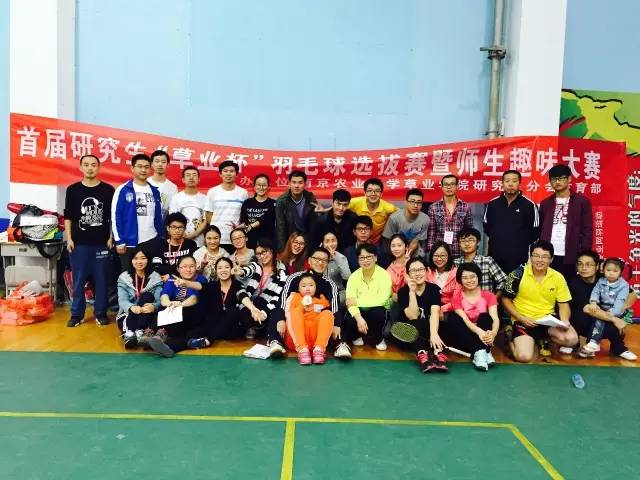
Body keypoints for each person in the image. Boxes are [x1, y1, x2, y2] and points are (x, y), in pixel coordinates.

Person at [501, 240, 579, 363]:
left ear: (551, 259)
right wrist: (521, 318)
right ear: (530, 257)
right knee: (524, 357)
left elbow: (563, 304)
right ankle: (510, 338)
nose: (540, 260)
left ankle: (542, 340)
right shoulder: (517, 274)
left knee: (572, 339)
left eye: (545, 257)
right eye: (536, 256)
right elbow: (505, 300)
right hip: (524, 320)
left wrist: (564, 320)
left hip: (548, 321)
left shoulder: (558, 277)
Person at [64, 154, 115, 327]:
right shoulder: (73, 190)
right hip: (79, 244)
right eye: (86, 164)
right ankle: (76, 315)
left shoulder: (108, 190)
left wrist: (111, 237)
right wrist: (69, 239)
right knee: (78, 282)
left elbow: (111, 218)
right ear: (80, 167)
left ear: (99, 167)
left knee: (101, 281)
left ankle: (101, 313)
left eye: (93, 164)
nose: (90, 168)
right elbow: (68, 217)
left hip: (101, 244)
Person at [278, 246, 348, 359]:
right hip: (297, 322)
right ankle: (276, 341)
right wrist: (280, 319)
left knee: (334, 316)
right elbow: (282, 300)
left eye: (324, 260)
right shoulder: (295, 278)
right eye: (317, 259)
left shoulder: (330, 284)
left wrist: (337, 324)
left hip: (317, 324)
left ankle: (340, 344)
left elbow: (335, 307)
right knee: (277, 314)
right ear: (309, 260)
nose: (320, 263)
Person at [568, 251, 637, 361]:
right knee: (582, 319)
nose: (583, 268)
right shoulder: (574, 284)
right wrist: (615, 319)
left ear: (597, 267)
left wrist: (620, 310)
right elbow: (588, 309)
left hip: (606, 313)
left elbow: (633, 295)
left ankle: (618, 348)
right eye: (580, 264)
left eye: (588, 264)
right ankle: (584, 344)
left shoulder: (607, 277)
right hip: (585, 317)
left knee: (616, 323)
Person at [391, 257, 447, 373]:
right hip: (408, 333)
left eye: (421, 269)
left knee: (442, 326)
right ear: (408, 274)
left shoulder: (434, 289)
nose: (418, 273)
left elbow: (435, 313)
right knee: (416, 323)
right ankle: (422, 353)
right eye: (413, 271)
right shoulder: (403, 292)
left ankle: (436, 352)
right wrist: (412, 291)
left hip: (428, 330)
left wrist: (434, 334)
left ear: (427, 271)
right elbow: (413, 315)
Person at [145, 255, 208, 357]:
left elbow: (194, 299)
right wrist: (170, 303)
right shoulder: (172, 279)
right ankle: (150, 335)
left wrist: (179, 305)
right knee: (163, 307)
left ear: (196, 267)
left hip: (194, 315)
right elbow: (164, 296)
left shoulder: (200, 279)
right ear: (178, 269)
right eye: (184, 266)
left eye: (192, 266)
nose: (188, 270)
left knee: (183, 310)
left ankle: (160, 335)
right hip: (176, 317)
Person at [539, 164, 593, 280]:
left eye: (561, 178)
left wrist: (584, 253)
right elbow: (540, 228)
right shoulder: (545, 203)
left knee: (570, 286)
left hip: (572, 254)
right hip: (548, 255)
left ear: (569, 179)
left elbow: (587, 229)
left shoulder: (582, 202)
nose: (557, 182)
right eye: (554, 179)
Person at [112, 153, 164, 272]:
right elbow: (116, 216)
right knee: (128, 277)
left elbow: (158, 217)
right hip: (129, 243)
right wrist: (119, 241)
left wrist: (161, 237)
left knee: (151, 276)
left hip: (151, 240)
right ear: (132, 168)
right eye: (140, 166)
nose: (143, 170)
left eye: (146, 167)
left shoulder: (154, 191)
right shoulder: (123, 189)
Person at [483, 170, 540, 273]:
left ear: (519, 184)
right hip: (494, 257)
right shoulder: (492, 204)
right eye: (507, 181)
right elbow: (487, 227)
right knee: (495, 283)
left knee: (516, 283)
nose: (510, 184)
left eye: (514, 181)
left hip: (518, 257)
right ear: (502, 183)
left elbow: (535, 231)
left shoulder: (529, 205)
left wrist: (518, 243)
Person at [446, 263, 500, 371]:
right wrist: (479, 332)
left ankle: (481, 352)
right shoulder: (456, 298)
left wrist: (493, 333)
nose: (469, 280)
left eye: (472, 277)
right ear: (460, 280)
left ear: (478, 277)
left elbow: (495, 318)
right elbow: (465, 320)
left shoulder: (489, 296)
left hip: (485, 335)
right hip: (467, 335)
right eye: (465, 278)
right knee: (452, 317)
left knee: (485, 317)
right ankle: (483, 352)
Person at [235, 238, 288, 345]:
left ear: (271, 251)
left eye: (264, 252)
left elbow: (276, 298)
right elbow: (248, 269)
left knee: (261, 301)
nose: (262, 256)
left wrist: (263, 313)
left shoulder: (281, 272)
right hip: (250, 305)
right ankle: (254, 327)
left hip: (267, 307)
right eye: (258, 254)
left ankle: (263, 329)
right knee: (239, 292)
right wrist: (241, 272)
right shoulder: (256, 266)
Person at [344, 243, 392, 351]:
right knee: (350, 316)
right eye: (362, 258)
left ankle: (378, 339)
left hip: (376, 309)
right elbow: (350, 301)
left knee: (378, 312)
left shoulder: (384, 275)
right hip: (360, 312)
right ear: (358, 260)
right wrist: (359, 318)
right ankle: (356, 336)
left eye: (369, 257)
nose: (365, 260)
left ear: (375, 258)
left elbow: (382, 299)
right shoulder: (353, 277)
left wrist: (357, 301)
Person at [583, 258, 634, 356]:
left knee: (613, 327)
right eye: (608, 270)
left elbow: (620, 301)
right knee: (598, 319)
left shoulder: (624, 285)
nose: (611, 273)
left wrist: (612, 313)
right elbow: (595, 292)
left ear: (620, 272)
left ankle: (618, 348)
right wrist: (593, 302)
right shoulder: (601, 281)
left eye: (615, 271)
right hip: (602, 308)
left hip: (617, 310)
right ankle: (593, 343)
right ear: (603, 270)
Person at [116, 246, 163, 348]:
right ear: (131, 260)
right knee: (126, 317)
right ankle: (132, 333)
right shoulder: (124, 277)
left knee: (147, 296)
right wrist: (131, 307)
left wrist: (154, 306)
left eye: (143, 258)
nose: (139, 262)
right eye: (135, 258)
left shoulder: (156, 277)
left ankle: (135, 333)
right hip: (128, 313)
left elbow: (160, 300)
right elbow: (122, 300)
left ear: (148, 260)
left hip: (147, 312)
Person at [285, 272, 335, 365]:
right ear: (298, 288)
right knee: (295, 312)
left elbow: (327, 319)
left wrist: (316, 306)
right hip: (296, 341)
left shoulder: (322, 301)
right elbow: (289, 317)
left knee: (327, 313)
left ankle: (319, 350)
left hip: (314, 341)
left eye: (311, 285)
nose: (307, 288)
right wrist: (302, 308)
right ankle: (302, 350)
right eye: (303, 286)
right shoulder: (294, 297)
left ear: (316, 287)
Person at [202, 160, 249, 253]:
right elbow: (208, 215)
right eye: (225, 171)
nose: (228, 174)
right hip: (216, 239)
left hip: (236, 239)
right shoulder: (212, 192)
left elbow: (244, 216)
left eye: (231, 171)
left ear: (236, 174)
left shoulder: (243, 193)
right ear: (220, 174)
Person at [426, 174, 473, 258]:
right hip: (440, 253)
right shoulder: (433, 207)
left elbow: (469, 231)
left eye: (452, 184)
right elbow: (431, 232)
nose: (449, 187)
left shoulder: (465, 207)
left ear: (457, 186)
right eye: (446, 184)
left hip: (459, 251)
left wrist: (468, 252)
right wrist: (431, 251)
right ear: (442, 187)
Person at [198, 257, 244, 342]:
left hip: (232, 329)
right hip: (214, 325)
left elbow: (244, 301)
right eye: (219, 268)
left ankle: (208, 340)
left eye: (227, 267)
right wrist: (186, 283)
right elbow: (198, 286)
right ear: (216, 271)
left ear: (231, 269)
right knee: (192, 333)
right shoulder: (212, 285)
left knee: (233, 312)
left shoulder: (237, 285)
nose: (223, 270)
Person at [142, 212, 198, 279]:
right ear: (168, 228)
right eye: (173, 227)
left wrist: (171, 275)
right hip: (164, 280)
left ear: (185, 229)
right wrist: (177, 269)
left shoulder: (191, 244)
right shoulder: (159, 246)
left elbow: (192, 267)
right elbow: (157, 268)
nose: (177, 230)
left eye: (180, 227)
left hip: (185, 279)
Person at [453, 227, 506, 292]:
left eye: (470, 240)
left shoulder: (487, 261)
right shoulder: (455, 263)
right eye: (463, 240)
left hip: (485, 298)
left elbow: (503, 281)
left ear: (478, 242)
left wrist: (494, 297)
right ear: (459, 244)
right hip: (462, 298)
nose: (466, 244)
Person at [275, 170, 318, 252]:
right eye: (294, 182)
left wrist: (320, 214)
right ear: (289, 184)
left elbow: (313, 226)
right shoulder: (281, 201)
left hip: (306, 240)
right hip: (290, 239)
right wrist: (283, 250)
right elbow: (281, 227)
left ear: (305, 184)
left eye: (300, 183)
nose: (296, 186)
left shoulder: (310, 198)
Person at [348, 178, 397, 245]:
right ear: (365, 193)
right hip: (358, 238)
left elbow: (401, 216)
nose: (373, 194)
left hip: (378, 240)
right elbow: (338, 208)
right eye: (370, 190)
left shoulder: (389, 208)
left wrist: (384, 233)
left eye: (377, 191)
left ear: (381, 193)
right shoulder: (354, 202)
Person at [382, 188, 429, 257]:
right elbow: (388, 240)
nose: (415, 205)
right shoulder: (394, 218)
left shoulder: (425, 219)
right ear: (406, 202)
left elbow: (416, 242)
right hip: (396, 247)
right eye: (412, 201)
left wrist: (407, 257)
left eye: (419, 202)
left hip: (413, 249)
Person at [169, 166, 207, 247]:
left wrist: (194, 234)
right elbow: (172, 219)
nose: (191, 177)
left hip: (199, 242)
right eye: (188, 175)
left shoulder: (205, 198)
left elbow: (205, 220)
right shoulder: (176, 198)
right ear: (183, 179)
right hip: (180, 240)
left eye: (194, 175)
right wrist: (182, 233)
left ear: (199, 179)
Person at [240, 174, 276, 249]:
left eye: (264, 185)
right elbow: (243, 221)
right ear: (254, 186)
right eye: (258, 185)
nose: (261, 188)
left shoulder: (273, 203)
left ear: (268, 187)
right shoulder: (247, 202)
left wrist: (251, 226)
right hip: (249, 243)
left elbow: (267, 219)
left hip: (267, 244)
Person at [425, 241, 459, 319]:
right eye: (436, 255)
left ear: (448, 256)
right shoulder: (427, 271)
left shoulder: (456, 273)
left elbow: (457, 300)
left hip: (450, 310)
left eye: (443, 255)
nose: (439, 259)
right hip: (430, 309)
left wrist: (441, 309)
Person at [321, 232, 351, 306]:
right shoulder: (318, 257)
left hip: (339, 294)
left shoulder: (341, 257)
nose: (330, 244)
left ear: (337, 242)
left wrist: (336, 258)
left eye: (333, 240)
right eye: (327, 241)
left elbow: (347, 276)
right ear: (323, 243)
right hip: (321, 295)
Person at [147, 150, 178, 219]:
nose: (160, 164)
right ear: (151, 164)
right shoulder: (145, 183)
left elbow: (173, 211)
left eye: (163, 162)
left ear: (168, 165)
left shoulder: (173, 187)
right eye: (157, 161)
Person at [387, 234, 409, 324]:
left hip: (409, 299)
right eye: (393, 246)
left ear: (406, 247)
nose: (396, 249)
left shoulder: (413, 263)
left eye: (399, 245)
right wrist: (392, 294)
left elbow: (409, 282)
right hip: (393, 300)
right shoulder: (389, 265)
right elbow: (386, 285)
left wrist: (406, 265)